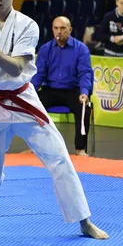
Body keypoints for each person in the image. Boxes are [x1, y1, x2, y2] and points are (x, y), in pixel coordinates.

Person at [0, 0, 108, 239]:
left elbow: (17, 68)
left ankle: (84, 220)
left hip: (22, 99)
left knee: (59, 158)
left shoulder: (27, 24)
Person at [31, 16, 93, 156]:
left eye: (63, 28)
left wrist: (84, 93)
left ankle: (80, 149)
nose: (59, 32)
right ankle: (34, 147)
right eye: (56, 28)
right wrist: (30, 92)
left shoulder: (81, 49)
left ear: (70, 30)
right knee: (33, 105)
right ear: (52, 30)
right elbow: (39, 74)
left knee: (84, 108)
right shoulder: (45, 49)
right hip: (51, 90)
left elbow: (85, 73)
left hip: (72, 90)